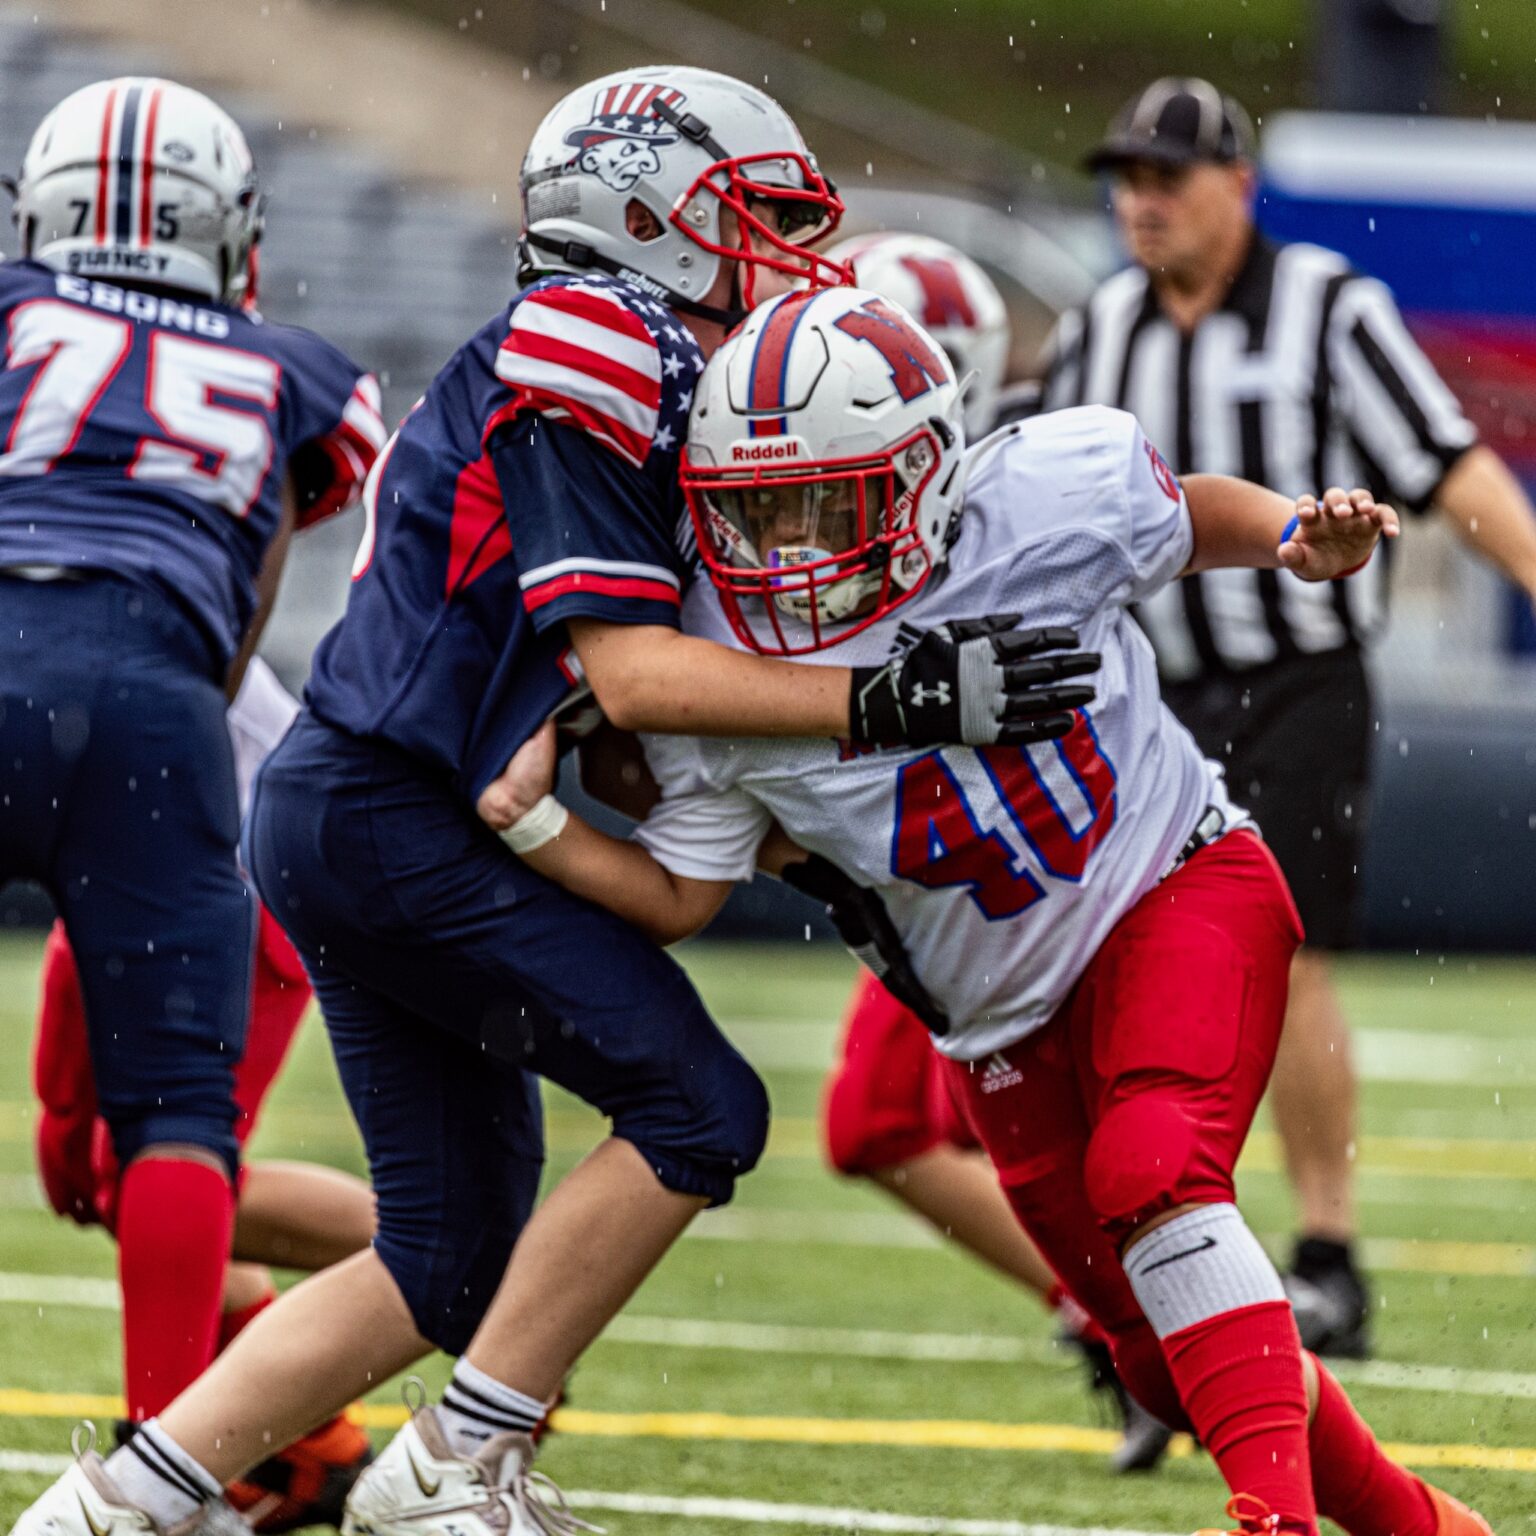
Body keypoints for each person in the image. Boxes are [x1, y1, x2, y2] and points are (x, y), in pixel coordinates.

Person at [9, 67, 1099, 1536]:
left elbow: (628, 714)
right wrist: (894, 699)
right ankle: (455, 1470)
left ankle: (117, 1510)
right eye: (750, 221)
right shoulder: (596, 336)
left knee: (451, 1253)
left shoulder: (624, 349)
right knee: (699, 1103)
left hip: (368, 807)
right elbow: (641, 680)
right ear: (642, 211)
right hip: (394, 813)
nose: (776, 259)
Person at [479, 284, 1495, 1536]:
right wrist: (538, 825)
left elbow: (1182, 517)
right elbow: (680, 892)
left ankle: (1272, 1523)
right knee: (1149, 1348)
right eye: (754, 513)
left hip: (1170, 884)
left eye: (819, 505)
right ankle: (1424, 1527)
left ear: (921, 478)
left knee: (1155, 1168)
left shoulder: (1039, 499)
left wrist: (1291, 532)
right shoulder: (713, 653)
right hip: (995, 1018)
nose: (785, 549)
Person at [1038, 76, 1536, 1358]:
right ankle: (1155, 1244)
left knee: (1287, 948)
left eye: (1166, 176)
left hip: (1298, 681)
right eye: (1126, 178)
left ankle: (1325, 1254)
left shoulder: (1326, 306)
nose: (1139, 201)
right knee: (1120, 966)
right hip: (1144, 697)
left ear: (1236, 187)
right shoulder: (1096, 330)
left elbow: (1445, 465)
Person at [0, 72, 380, 1447]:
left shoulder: (13, 304)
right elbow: (250, 599)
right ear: (232, 236)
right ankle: (172, 1467)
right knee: (172, 1130)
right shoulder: (296, 376)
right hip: (166, 718)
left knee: (109, 1153)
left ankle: (417, 1318)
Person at [811, 229, 1172, 1474]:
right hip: (940, 841)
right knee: (895, 1124)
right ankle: (1134, 1313)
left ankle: (1145, 1319)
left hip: (987, 852)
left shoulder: (988, 497)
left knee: (886, 1122)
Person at [32, 655, 378, 1533]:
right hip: (196, 878)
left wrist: (67, 1116)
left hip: (253, 877)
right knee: (141, 1178)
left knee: (156, 1164)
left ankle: (481, 1273)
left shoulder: (119, 618)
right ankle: (305, 1445)